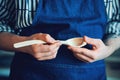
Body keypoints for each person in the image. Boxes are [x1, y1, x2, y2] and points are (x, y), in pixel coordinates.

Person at [0, 0, 119, 80]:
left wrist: (107, 49)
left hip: (91, 74)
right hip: (29, 74)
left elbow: (117, 24)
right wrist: (24, 44)